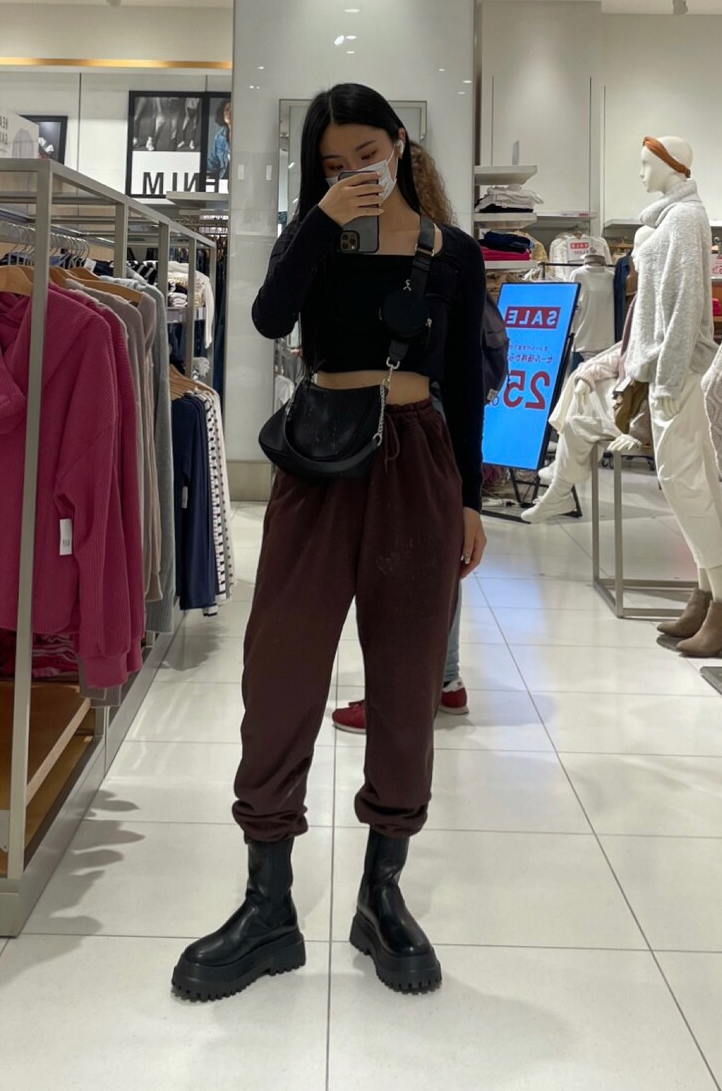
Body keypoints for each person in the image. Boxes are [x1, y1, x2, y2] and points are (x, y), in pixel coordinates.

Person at [173, 85, 488, 1003]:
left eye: (366, 155)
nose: (354, 172)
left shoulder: (455, 254)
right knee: (280, 670)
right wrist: (319, 220)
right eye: (332, 163)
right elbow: (270, 319)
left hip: (418, 464)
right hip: (318, 462)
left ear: (399, 143)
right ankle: (267, 902)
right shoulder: (313, 238)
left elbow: (463, 382)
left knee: (406, 678)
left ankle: (382, 894)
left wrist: (469, 502)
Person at [333, 142, 471, 734]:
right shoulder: (443, 245)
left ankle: (406, 689)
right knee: (432, 561)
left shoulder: (435, 250)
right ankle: (447, 679)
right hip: (434, 409)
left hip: (412, 411)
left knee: (401, 564)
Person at [207, 98, 231, 183]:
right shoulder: (219, 137)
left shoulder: (245, 136)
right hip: (222, 182)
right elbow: (212, 164)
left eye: (233, 110)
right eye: (227, 110)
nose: (229, 113)